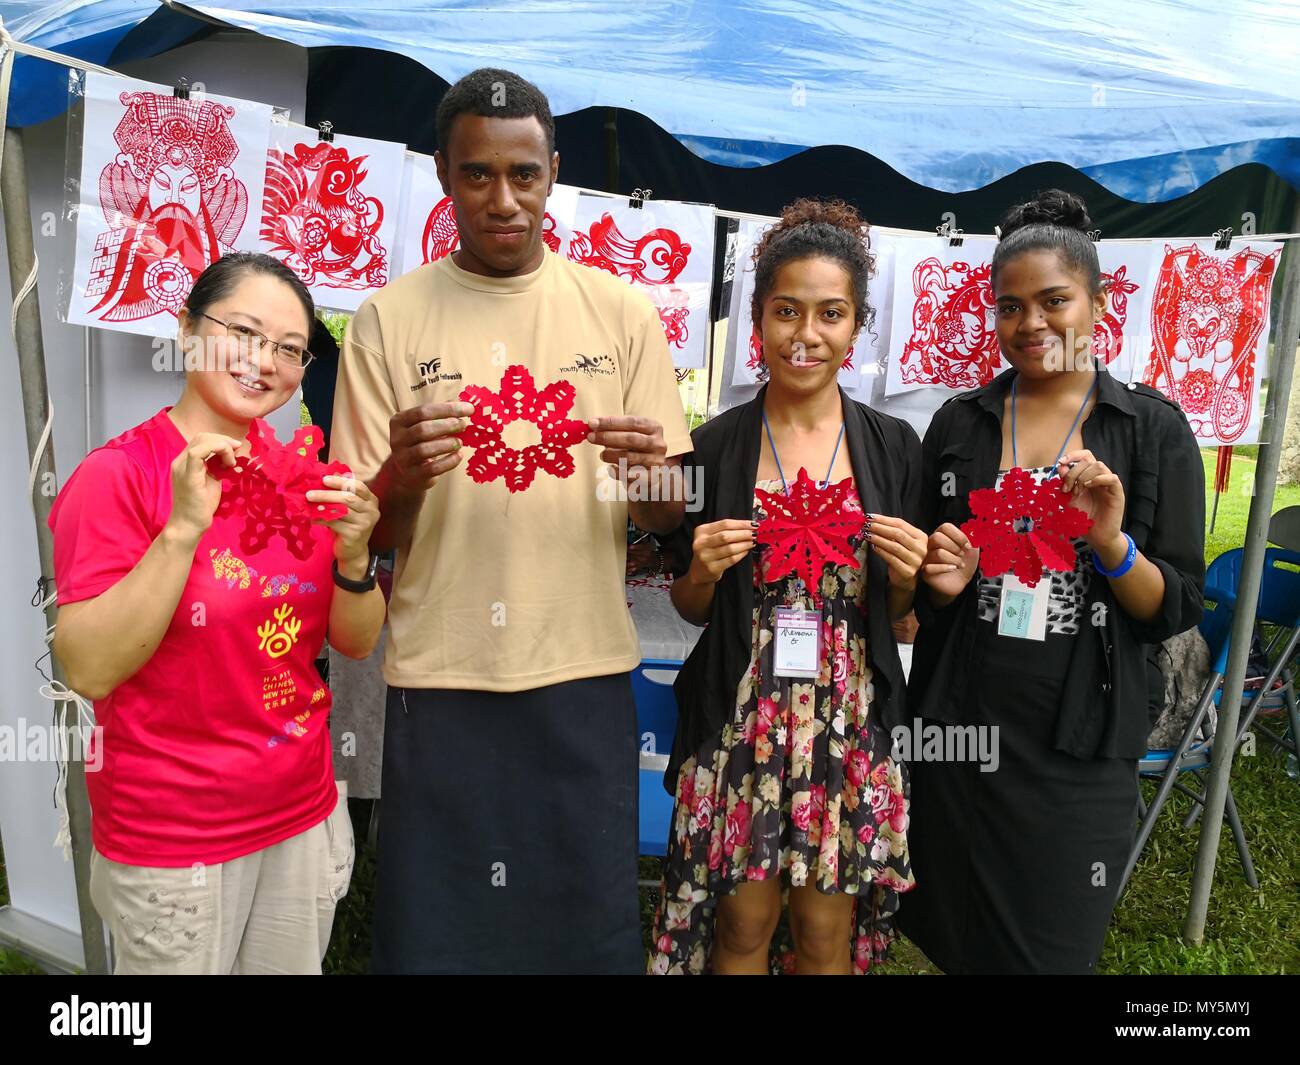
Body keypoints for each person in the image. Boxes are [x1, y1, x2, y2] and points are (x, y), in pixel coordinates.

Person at [329, 67, 692, 974]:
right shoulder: (386, 319)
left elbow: (667, 515)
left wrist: (647, 474)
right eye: (478, 174)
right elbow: (369, 535)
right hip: (441, 674)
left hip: (583, 670)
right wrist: (400, 477)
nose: (503, 199)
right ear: (443, 176)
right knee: (440, 936)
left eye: (524, 173)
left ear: (553, 172)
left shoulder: (621, 311)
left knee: (583, 934)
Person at [49, 252, 385, 974]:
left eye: (289, 349)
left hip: (300, 812)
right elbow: (87, 668)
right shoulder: (121, 475)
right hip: (177, 837)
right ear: (187, 329)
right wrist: (181, 532)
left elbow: (354, 643)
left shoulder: (302, 479)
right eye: (245, 332)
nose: (264, 362)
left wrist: (357, 556)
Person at [898, 189, 1206, 974]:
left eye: (1053, 300)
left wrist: (1111, 545)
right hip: (961, 724)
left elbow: (1173, 606)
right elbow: (923, 594)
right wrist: (941, 581)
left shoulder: (1150, 430)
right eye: (1010, 306)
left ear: (1098, 305)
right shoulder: (961, 423)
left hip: (1079, 738)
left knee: (1052, 946)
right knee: (958, 934)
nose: (1030, 322)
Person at [648, 199, 926, 975]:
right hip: (742, 715)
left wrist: (908, 581)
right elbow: (692, 607)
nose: (807, 332)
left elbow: (899, 617)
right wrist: (702, 570)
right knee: (742, 924)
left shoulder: (893, 447)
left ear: (857, 324)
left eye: (831, 313)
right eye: (786, 310)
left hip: (849, 717)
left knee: (823, 931)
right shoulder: (713, 447)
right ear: (758, 319)